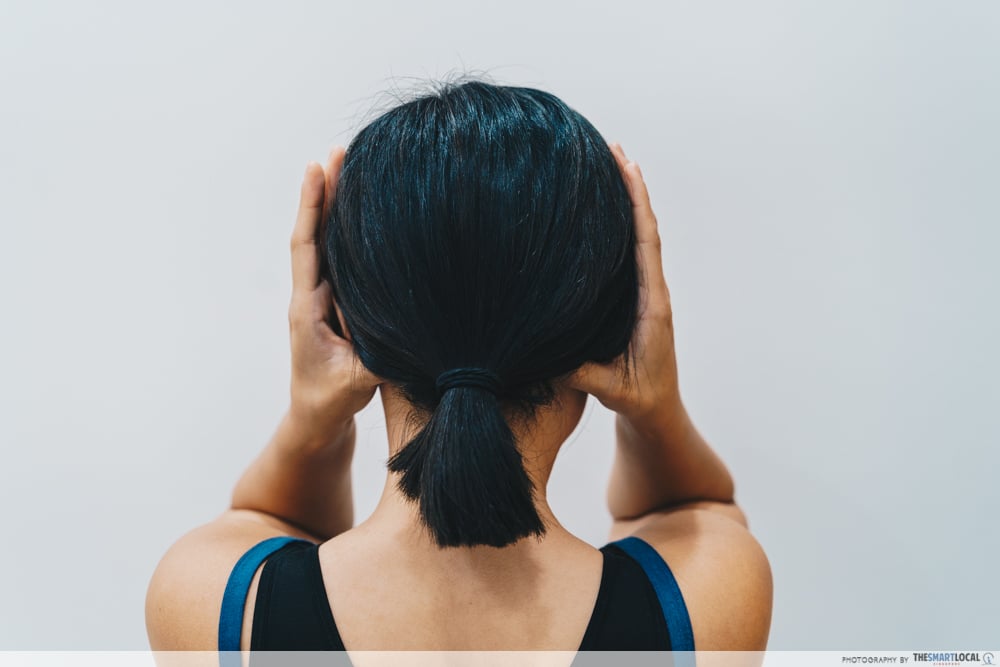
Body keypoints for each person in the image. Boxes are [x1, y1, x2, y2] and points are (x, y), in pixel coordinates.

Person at [145, 81, 773, 658]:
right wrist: (655, 409)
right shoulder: (706, 603)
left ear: (345, 323)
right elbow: (692, 507)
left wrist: (314, 422)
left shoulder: (210, 605)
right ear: (612, 335)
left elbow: (279, 533)